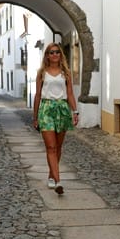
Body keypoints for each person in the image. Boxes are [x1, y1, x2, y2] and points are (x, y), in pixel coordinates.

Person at [32, 43, 79, 195]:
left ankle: (51, 175)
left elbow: (70, 94)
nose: (54, 55)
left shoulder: (66, 73)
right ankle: (58, 181)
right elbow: (38, 95)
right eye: (51, 52)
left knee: (58, 147)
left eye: (57, 52)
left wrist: (75, 111)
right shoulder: (42, 73)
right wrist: (35, 117)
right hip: (46, 110)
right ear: (47, 55)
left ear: (60, 55)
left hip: (62, 109)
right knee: (51, 147)